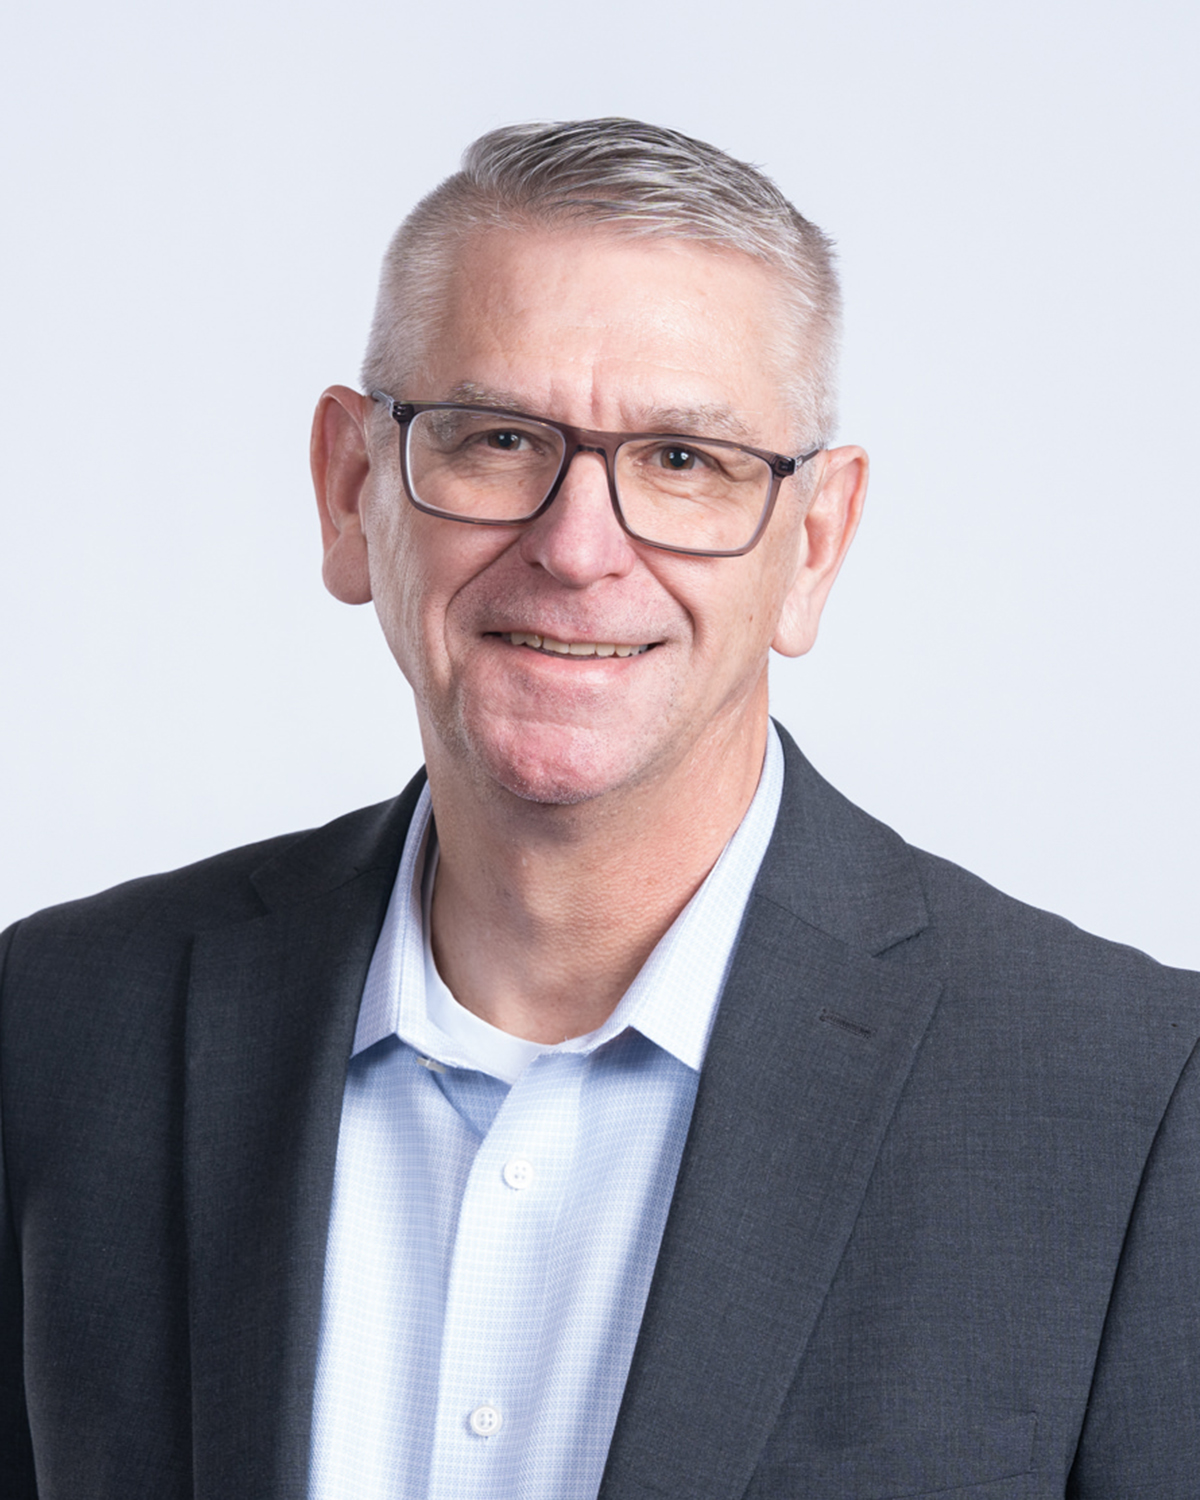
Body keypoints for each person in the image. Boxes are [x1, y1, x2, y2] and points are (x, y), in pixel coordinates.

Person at [2, 118, 1198, 1500]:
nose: (577, 549)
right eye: (498, 439)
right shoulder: (63, 1022)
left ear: (813, 546)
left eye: (685, 460)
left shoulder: (1128, 1105)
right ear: (350, 489)